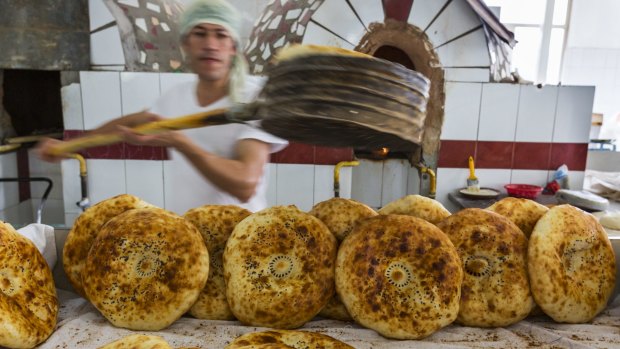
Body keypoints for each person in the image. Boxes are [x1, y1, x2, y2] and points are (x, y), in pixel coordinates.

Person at [36, 0, 287, 214]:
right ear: (186, 44)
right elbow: (130, 124)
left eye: (220, 35)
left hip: (242, 240)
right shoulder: (176, 97)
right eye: (200, 33)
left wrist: (182, 143)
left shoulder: (253, 98)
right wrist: (69, 146)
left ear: (233, 47)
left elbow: (245, 185)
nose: (210, 44)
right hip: (189, 238)